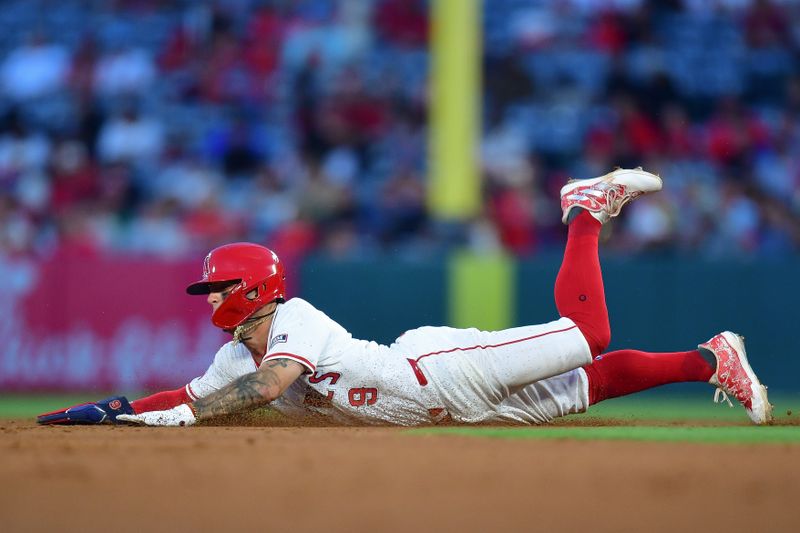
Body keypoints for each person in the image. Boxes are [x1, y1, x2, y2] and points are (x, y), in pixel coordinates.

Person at [37, 168, 773, 427]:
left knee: (589, 333)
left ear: (252, 287)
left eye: (218, 286)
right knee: (589, 385)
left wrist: (191, 414)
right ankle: (711, 360)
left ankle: (583, 209)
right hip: (455, 413)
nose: (209, 299)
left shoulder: (292, 319)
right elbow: (184, 390)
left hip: (441, 371)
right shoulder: (233, 354)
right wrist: (109, 411)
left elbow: (271, 385)